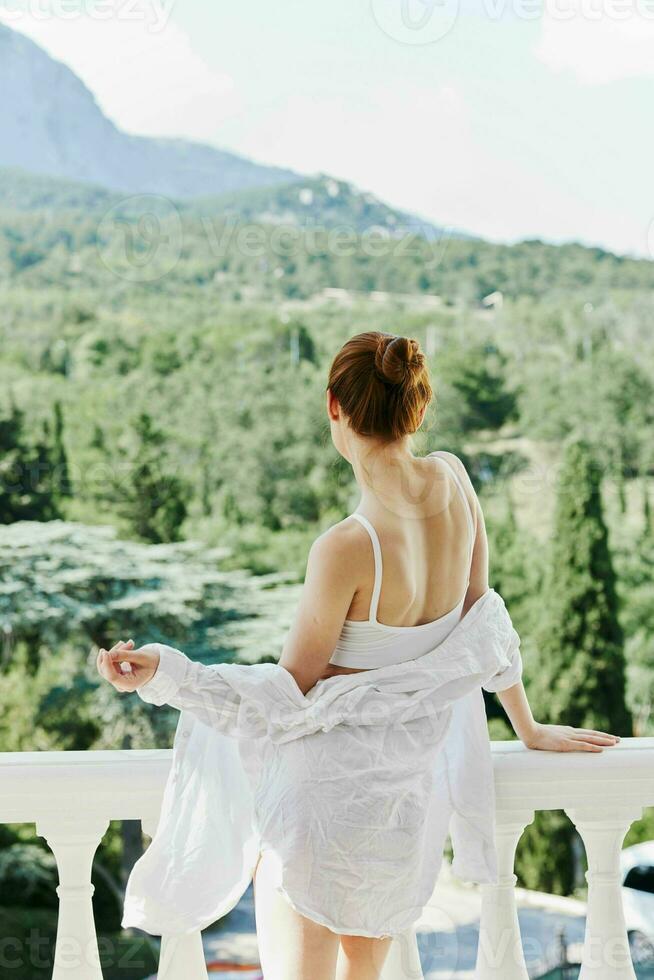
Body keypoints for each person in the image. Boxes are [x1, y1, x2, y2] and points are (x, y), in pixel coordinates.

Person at [97, 332, 620, 980]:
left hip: (318, 806)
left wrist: (167, 672)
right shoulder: (456, 482)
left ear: (333, 407)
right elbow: (484, 621)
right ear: (418, 410)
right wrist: (528, 726)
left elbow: (283, 698)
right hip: (400, 802)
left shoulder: (347, 545)